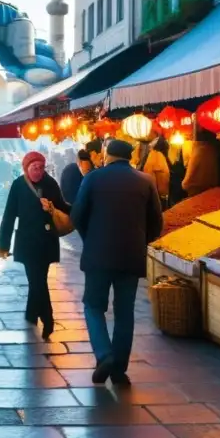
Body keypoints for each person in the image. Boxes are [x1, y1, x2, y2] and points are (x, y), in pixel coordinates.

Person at [70, 139, 163, 385]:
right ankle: (119, 367)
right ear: (130, 157)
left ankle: (104, 355)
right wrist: (141, 240)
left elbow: (76, 215)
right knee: (125, 312)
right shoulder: (146, 181)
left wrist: (89, 238)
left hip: (98, 255)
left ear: (107, 155)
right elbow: (157, 223)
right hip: (131, 256)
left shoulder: (92, 178)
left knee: (93, 306)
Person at [0, 151, 70, 340]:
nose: (38, 171)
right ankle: (48, 317)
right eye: (34, 168)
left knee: (38, 279)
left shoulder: (51, 183)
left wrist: (80, 210)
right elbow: (9, 215)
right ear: (26, 168)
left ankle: (32, 314)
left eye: (41, 168)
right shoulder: (18, 185)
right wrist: (3, 244)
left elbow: (63, 206)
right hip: (28, 241)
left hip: (46, 241)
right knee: (37, 280)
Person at [139, 136, 172, 208]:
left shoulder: (155, 155)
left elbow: (151, 176)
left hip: (155, 194)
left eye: (156, 139)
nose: (153, 140)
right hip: (160, 194)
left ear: (158, 144)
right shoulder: (161, 156)